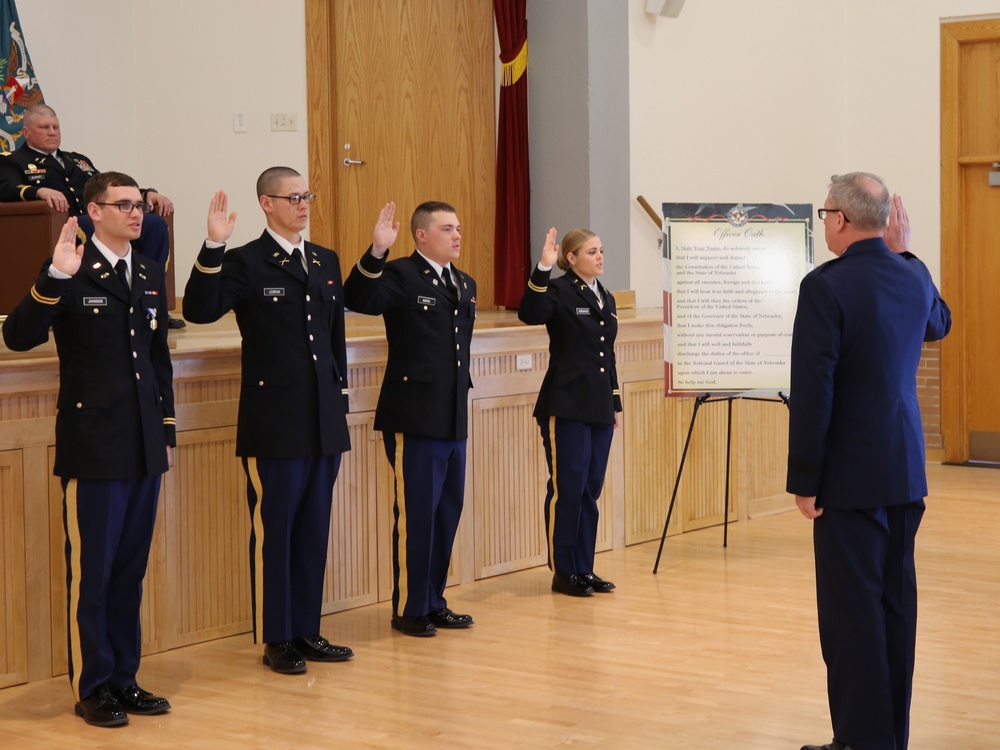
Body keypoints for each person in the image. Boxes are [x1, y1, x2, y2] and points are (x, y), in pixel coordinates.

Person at [2, 172, 175, 727]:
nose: (136, 213)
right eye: (123, 205)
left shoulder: (148, 271)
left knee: (130, 571)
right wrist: (53, 275)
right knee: (95, 573)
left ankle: (125, 679)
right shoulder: (71, 269)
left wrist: (165, 430)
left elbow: (157, 359)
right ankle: (94, 685)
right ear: (92, 211)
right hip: (95, 445)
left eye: (140, 205)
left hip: (144, 444)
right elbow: (19, 336)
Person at [787, 173, 951, 750]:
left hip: (848, 479)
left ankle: (859, 741)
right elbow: (940, 323)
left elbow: (815, 392)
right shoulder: (911, 274)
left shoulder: (824, 287)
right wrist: (907, 252)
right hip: (904, 470)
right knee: (893, 609)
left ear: (840, 219)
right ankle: (888, 738)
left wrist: (804, 479)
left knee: (850, 618)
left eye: (824, 210)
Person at [182, 167, 355, 675]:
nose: (304, 204)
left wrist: (339, 398)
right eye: (293, 197)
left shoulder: (324, 259)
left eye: (308, 196)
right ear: (266, 203)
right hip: (275, 419)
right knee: (276, 529)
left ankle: (307, 629)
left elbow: (334, 336)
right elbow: (199, 309)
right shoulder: (244, 261)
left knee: (313, 529)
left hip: (323, 418)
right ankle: (277, 637)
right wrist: (213, 247)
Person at [344, 201, 476, 637]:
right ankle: (410, 607)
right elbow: (359, 298)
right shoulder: (400, 274)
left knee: (446, 512)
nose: (456, 235)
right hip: (414, 416)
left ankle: (434, 599)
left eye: (457, 228)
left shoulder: (463, 282)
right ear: (421, 235)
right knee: (417, 514)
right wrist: (377, 251)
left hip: (453, 414)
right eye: (446, 229)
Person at [0, 104, 184, 328]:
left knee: (154, 223)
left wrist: (146, 194)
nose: (52, 132)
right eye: (44, 127)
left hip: (98, 217)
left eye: (56, 127)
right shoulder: (12, 160)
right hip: (68, 225)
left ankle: (150, 304)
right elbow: (6, 188)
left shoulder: (77, 160)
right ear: (26, 132)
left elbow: (108, 187)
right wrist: (37, 191)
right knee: (88, 223)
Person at [518, 227, 621, 597]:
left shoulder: (605, 296)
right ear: (571, 258)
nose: (599, 256)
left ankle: (584, 567)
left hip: (597, 406)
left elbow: (606, 355)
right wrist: (542, 269)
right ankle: (564, 571)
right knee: (569, 488)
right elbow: (529, 313)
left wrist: (614, 402)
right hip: (566, 404)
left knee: (590, 490)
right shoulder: (559, 291)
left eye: (601, 250)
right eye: (591, 251)